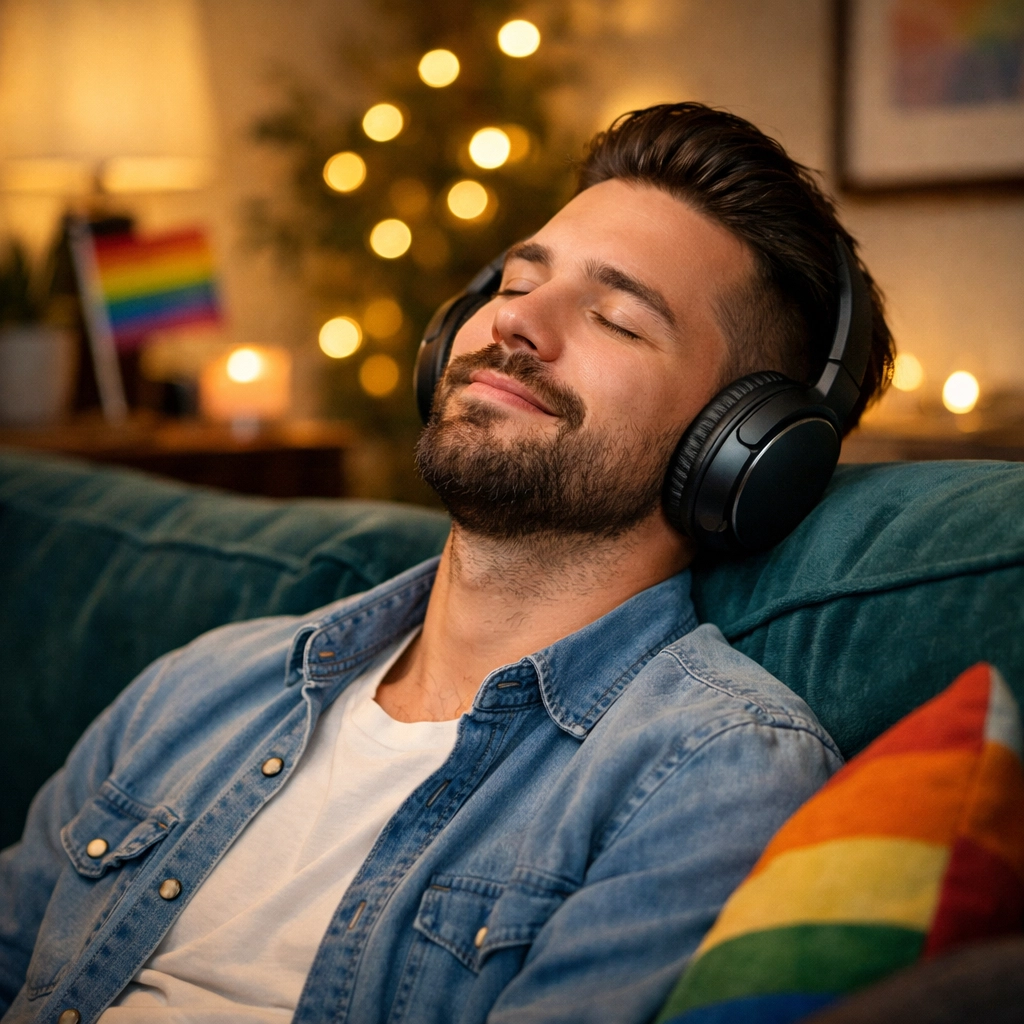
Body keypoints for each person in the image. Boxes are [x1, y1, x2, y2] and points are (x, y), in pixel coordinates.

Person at [0, 103, 894, 1024]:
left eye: (618, 320)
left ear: (744, 450)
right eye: (517, 280)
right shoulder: (201, 687)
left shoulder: (710, 776)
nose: (516, 321)